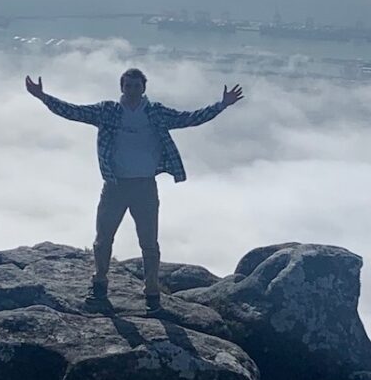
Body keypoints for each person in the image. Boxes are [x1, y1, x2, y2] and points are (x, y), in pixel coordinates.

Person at [25, 68, 243, 314]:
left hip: (145, 186)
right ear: (121, 87)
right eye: (127, 86)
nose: (131, 90)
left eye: (136, 86)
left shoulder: (156, 113)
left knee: (149, 243)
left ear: (143, 88)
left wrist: (222, 105)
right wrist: (43, 97)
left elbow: (189, 118)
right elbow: (74, 112)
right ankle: (99, 286)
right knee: (103, 239)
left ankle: (152, 293)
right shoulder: (107, 111)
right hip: (115, 185)